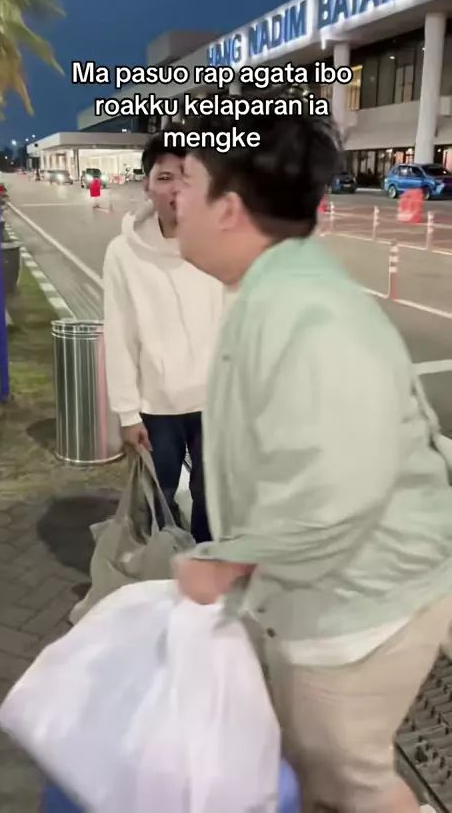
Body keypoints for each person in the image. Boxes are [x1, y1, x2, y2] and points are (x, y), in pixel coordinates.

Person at [174, 100, 452, 813]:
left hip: (362, 606)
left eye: (186, 182)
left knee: (348, 785)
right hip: (328, 591)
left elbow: (334, 493)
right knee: (322, 775)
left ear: (230, 208)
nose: (173, 199)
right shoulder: (274, 289)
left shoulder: (308, 313)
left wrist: (225, 561)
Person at [102, 131, 225, 543]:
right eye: (165, 177)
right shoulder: (124, 253)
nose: (176, 190)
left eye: (187, 178)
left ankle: (206, 564)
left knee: (215, 498)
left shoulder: (219, 241)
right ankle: (160, 566)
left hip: (215, 401)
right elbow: (119, 336)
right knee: (159, 497)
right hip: (157, 407)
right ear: (147, 185)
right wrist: (127, 414)